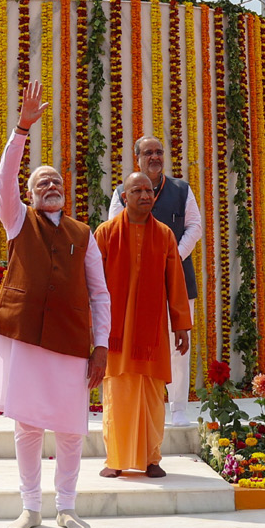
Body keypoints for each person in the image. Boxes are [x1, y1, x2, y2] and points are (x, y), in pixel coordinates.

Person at [0, 82, 109, 528]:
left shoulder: (83, 233)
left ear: (65, 191)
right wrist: (21, 129)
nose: (50, 185)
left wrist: (101, 346)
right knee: (29, 427)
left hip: (71, 341)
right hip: (27, 337)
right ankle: (31, 507)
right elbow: (4, 180)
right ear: (31, 194)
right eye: (41, 182)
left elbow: (100, 293)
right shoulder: (18, 220)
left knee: (72, 428)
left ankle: (67, 507)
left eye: (56, 181)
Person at [94, 171, 192, 478]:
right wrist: (92, 327)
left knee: (152, 396)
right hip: (116, 332)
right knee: (117, 394)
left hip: (152, 333)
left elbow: (175, 282)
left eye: (149, 191)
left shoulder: (164, 235)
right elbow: (92, 283)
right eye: (137, 191)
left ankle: (152, 458)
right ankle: (115, 459)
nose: (145, 195)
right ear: (124, 197)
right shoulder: (106, 233)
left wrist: (180, 324)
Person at [105, 135, 201, 399]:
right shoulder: (122, 192)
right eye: (148, 153)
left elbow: (195, 227)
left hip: (178, 278)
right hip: (136, 283)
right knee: (137, 341)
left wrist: (171, 258)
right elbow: (117, 232)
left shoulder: (181, 189)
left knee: (178, 344)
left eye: (159, 152)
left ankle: (178, 408)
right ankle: (143, 400)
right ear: (137, 158)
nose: (155, 157)